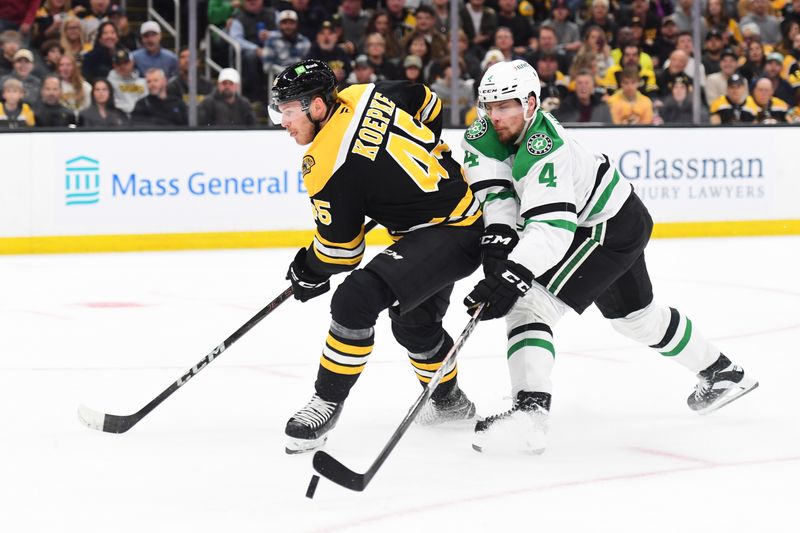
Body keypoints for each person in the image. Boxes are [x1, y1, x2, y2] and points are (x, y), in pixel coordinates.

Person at [460, 59, 758, 454]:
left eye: (506, 106)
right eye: (489, 106)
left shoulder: (547, 149)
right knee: (637, 320)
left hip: (602, 226)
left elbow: (551, 232)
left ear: (531, 103)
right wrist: (498, 243)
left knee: (530, 305)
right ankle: (723, 373)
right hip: (618, 217)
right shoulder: (481, 134)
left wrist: (511, 274)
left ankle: (529, 417)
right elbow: (497, 194)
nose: (496, 116)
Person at [269, 59, 482, 454]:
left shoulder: (324, 165)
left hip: (450, 231)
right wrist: (422, 160)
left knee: (355, 298)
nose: (282, 121)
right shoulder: (364, 92)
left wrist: (307, 270)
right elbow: (428, 101)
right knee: (413, 326)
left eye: (287, 111)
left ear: (317, 107)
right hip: (457, 214)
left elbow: (341, 251)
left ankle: (326, 401)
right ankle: (450, 402)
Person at [262, 10, 312, 76]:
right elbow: (267, 67)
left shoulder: (304, 41)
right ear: (279, 25)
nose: (288, 26)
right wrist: (286, 73)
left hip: (300, 79)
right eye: (284, 23)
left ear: (296, 24)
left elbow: (309, 65)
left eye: (291, 23)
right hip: (278, 79)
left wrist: (295, 73)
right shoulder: (271, 41)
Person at [107, 48, 147, 115]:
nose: (122, 66)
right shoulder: (109, 83)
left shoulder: (143, 82)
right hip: (118, 116)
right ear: (114, 65)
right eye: (119, 64)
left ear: (132, 62)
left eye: (125, 63)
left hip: (140, 117)